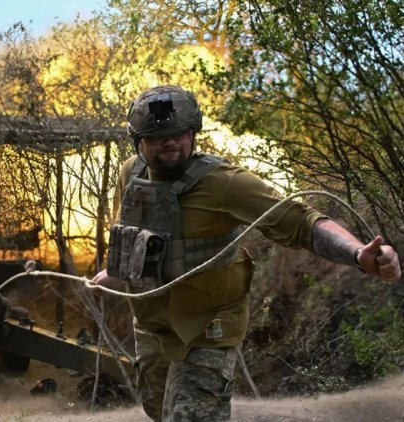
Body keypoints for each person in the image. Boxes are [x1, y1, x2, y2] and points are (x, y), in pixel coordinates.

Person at [90, 85, 401, 421]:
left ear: (193, 133)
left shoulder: (224, 184)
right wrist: (118, 269)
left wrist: (358, 254)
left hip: (209, 324)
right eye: (158, 136)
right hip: (153, 323)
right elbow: (130, 230)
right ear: (139, 142)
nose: (170, 142)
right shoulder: (129, 174)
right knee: (158, 408)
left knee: (190, 417)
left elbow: (300, 222)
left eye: (179, 133)